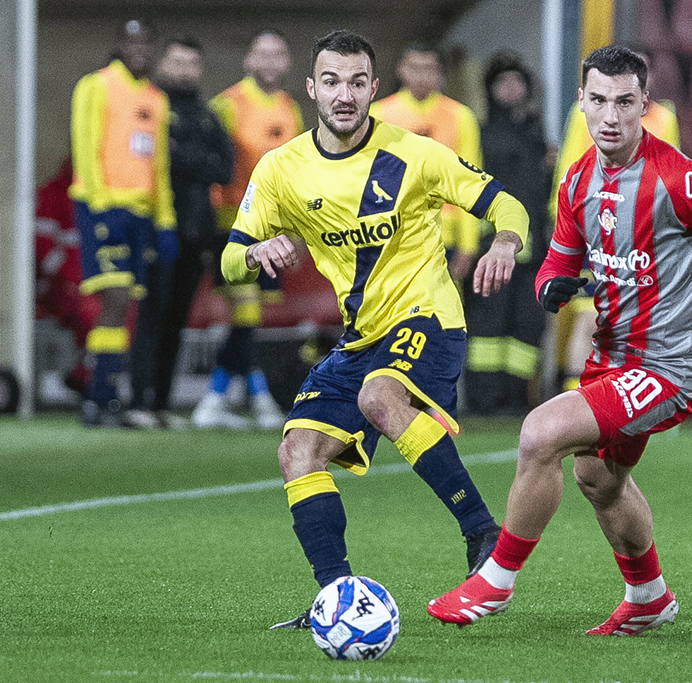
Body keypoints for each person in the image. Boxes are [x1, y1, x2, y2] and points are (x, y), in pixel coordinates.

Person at [426, 46, 692, 636]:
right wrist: (552, 287)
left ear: (644, 105)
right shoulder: (577, 179)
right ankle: (649, 596)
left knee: (540, 433)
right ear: (581, 102)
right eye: (599, 101)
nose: (611, 116)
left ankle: (495, 580)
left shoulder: (680, 180)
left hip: (669, 368)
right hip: (612, 360)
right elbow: (556, 265)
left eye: (625, 102)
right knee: (598, 479)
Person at [217, 29, 529, 629]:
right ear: (312, 88)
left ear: (374, 89)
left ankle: (482, 533)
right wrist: (256, 253)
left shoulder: (415, 154)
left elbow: (504, 203)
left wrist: (505, 243)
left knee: (379, 397)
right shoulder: (281, 169)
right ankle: (336, 597)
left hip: (428, 317)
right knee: (297, 451)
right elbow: (230, 259)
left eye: (357, 82)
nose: (345, 94)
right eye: (331, 81)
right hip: (361, 336)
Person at [550, 46, 680, 393]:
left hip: (642, 235)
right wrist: (568, 221)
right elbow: (569, 168)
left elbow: (671, 178)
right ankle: (575, 396)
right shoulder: (586, 113)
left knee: (635, 320)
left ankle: (621, 395)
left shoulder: (664, 118)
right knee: (589, 314)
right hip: (596, 226)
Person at [192, 29, 304, 430]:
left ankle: (229, 397)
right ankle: (240, 398)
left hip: (273, 227)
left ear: (287, 62)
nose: (270, 62)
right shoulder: (227, 105)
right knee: (246, 313)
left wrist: (296, 230)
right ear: (248, 60)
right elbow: (211, 167)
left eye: (278, 54)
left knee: (249, 318)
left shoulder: (290, 108)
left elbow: (297, 174)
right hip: (232, 223)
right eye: (263, 54)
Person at [69, 19, 177, 427]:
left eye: (146, 42)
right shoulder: (95, 85)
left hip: (141, 214)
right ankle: (99, 396)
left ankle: (104, 397)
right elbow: (84, 145)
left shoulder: (156, 98)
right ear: (119, 44)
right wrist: (99, 205)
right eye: (132, 42)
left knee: (125, 303)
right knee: (114, 299)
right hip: (103, 206)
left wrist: (165, 221)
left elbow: (159, 164)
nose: (139, 49)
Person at [126, 36, 233, 429]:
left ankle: (161, 404)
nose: (185, 70)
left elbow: (224, 169)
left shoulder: (206, 115)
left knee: (177, 318)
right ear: (163, 63)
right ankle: (138, 400)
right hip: (158, 227)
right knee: (151, 315)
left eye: (192, 62)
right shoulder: (151, 105)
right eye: (177, 61)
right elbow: (152, 160)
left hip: (196, 230)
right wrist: (193, 159)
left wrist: (180, 154)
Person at [463, 51, 550, 415]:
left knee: (527, 325)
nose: (511, 87)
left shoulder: (536, 135)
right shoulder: (481, 135)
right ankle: (485, 400)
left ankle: (516, 399)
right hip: (492, 246)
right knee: (488, 324)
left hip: (534, 249)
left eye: (517, 80)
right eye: (503, 81)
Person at [370, 44, 483, 281]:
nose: (421, 76)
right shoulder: (378, 115)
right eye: (414, 68)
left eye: (429, 69)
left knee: (443, 302)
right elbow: (366, 181)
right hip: (392, 234)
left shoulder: (460, 116)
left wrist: (469, 244)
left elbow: (471, 182)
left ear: (440, 72)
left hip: (445, 236)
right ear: (401, 69)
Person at [34, 157, 98, 396]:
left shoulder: (98, 194)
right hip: (58, 284)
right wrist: (67, 277)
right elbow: (41, 246)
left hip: (89, 279)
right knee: (89, 309)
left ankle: (94, 375)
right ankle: (85, 375)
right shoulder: (53, 193)